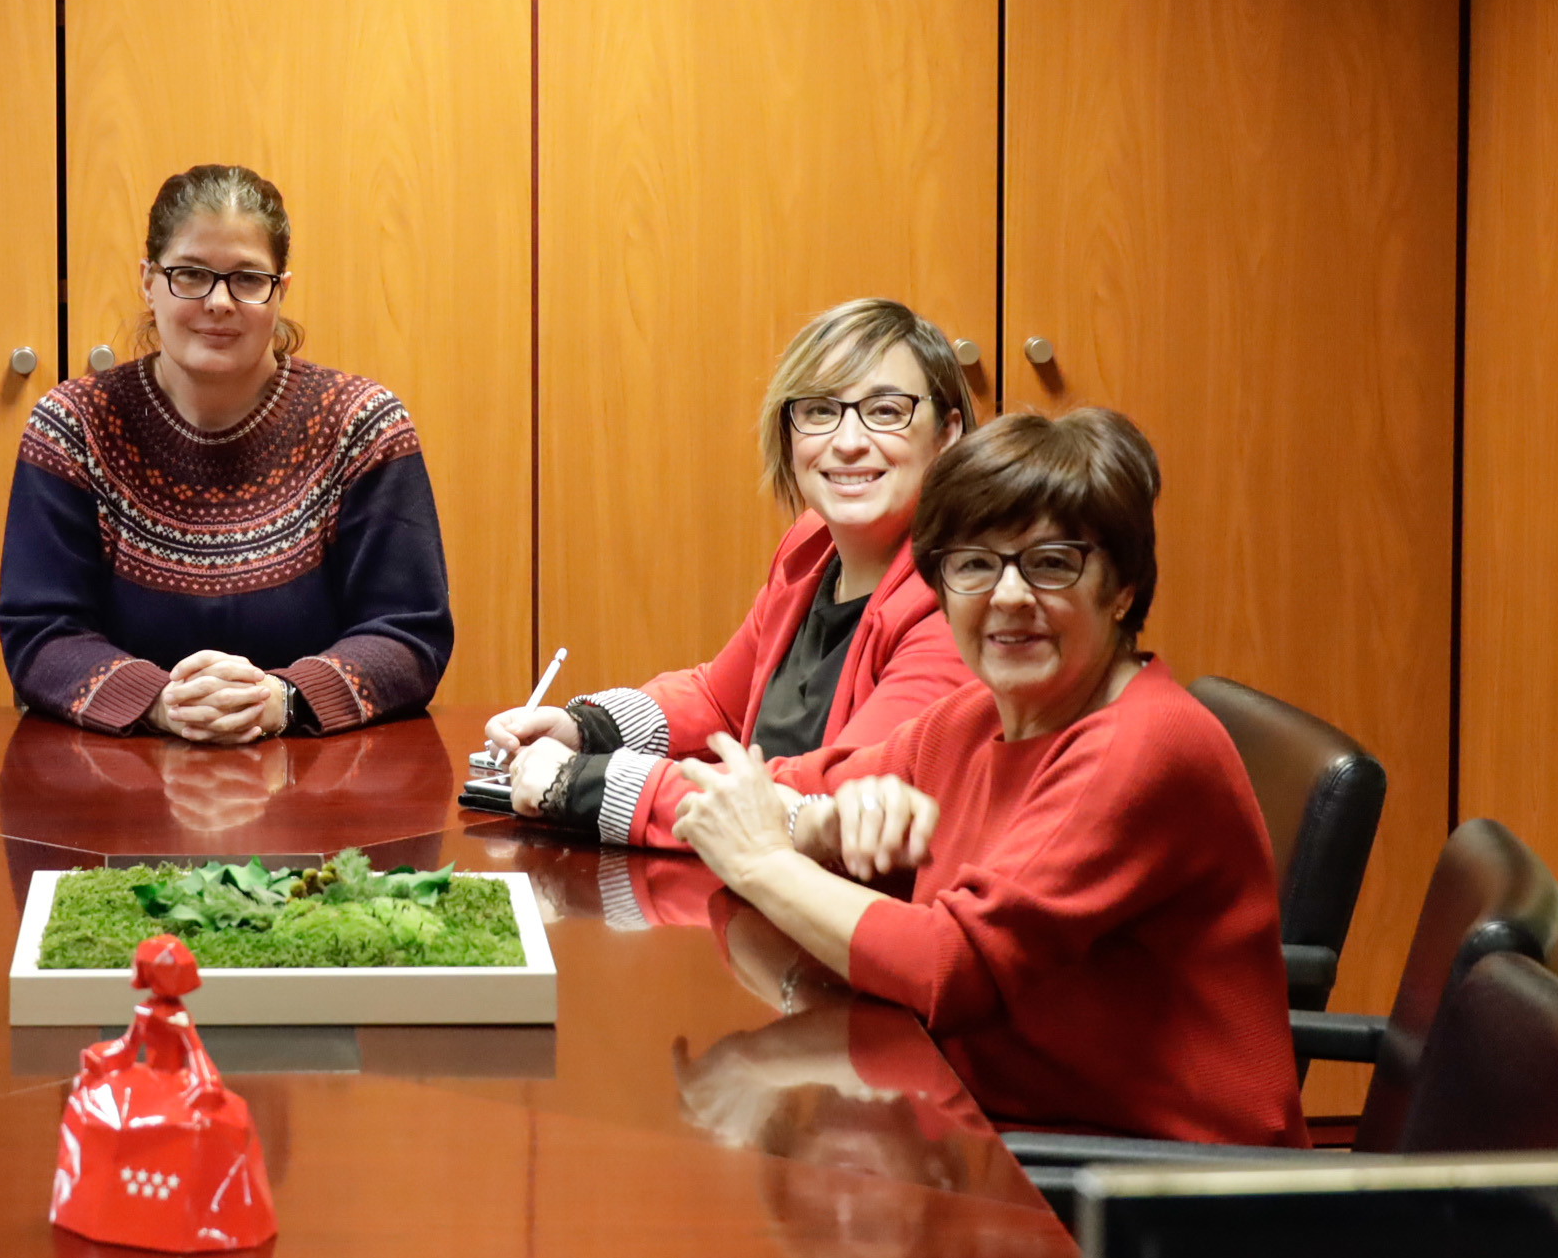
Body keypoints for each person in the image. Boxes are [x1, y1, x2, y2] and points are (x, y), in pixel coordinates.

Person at [667, 409, 1306, 1146]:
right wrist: (817, 828)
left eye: (1052, 563)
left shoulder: (1141, 745)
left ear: (1123, 588)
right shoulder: (976, 717)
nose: (1007, 596)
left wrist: (762, 861)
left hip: (1157, 1183)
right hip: (992, 1120)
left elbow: (950, 966)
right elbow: (793, 783)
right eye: (973, 564)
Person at [485, 298, 978, 853]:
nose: (847, 441)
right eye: (820, 411)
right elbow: (720, 701)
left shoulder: (962, 599)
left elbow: (835, 801)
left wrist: (586, 785)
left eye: (885, 411)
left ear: (948, 433)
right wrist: (586, 731)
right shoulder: (812, 544)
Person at [0, 163, 452, 738]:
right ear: (148, 281)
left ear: (281, 290)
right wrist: (162, 703)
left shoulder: (363, 426)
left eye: (248, 278)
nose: (218, 302)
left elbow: (409, 633)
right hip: (118, 772)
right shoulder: (73, 425)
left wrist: (279, 700)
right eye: (190, 274)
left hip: (318, 774)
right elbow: (40, 632)